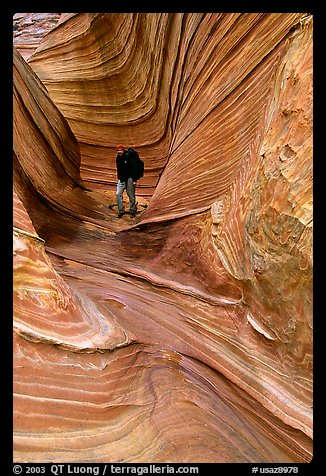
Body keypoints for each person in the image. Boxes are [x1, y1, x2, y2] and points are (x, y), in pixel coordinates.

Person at [115, 144, 138, 218]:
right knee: (118, 194)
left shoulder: (128, 157)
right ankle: (121, 210)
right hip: (121, 179)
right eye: (118, 150)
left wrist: (134, 180)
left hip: (129, 178)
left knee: (131, 195)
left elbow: (133, 168)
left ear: (123, 150)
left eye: (121, 150)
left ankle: (132, 210)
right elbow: (119, 169)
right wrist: (119, 177)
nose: (119, 152)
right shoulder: (118, 158)